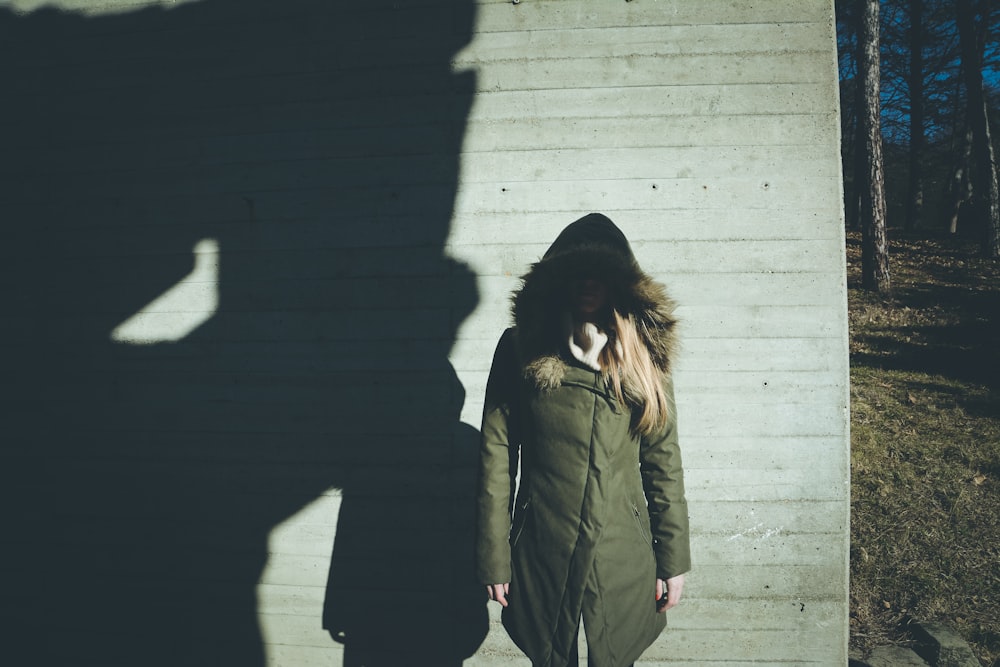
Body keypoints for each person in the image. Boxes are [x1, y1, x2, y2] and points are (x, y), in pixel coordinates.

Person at [475, 213, 691, 667]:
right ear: (557, 279)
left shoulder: (643, 356)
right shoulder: (521, 348)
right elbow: (496, 455)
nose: (587, 282)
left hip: (621, 549)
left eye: (600, 272)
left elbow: (662, 462)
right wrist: (495, 556)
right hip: (541, 544)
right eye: (577, 271)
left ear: (620, 282)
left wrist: (673, 559)